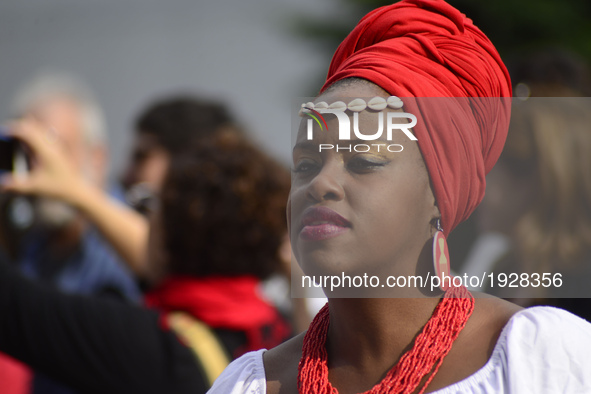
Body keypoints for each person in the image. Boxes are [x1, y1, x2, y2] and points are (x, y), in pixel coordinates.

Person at [209, 1, 591, 393]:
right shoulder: (250, 384)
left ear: (438, 195)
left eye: (364, 161)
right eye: (305, 165)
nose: (321, 183)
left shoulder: (541, 359)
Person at [0, 123, 292, 393]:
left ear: (170, 232)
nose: (145, 221)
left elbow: (13, 305)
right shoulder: (284, 336)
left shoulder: (153, 348)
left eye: (154, 205)